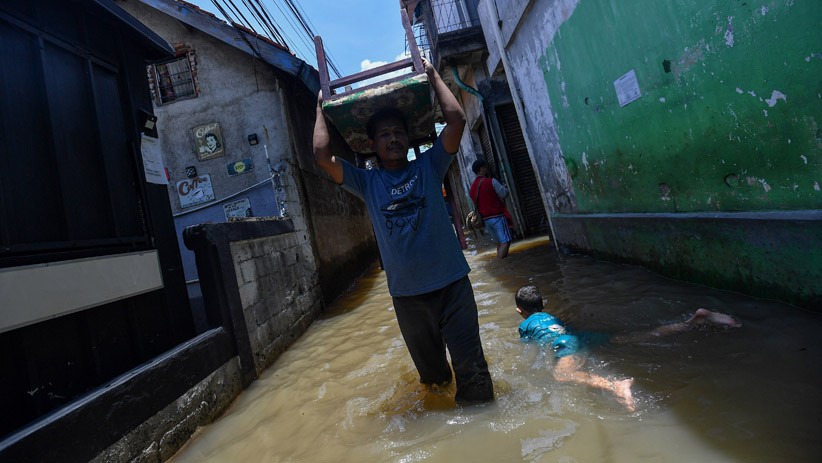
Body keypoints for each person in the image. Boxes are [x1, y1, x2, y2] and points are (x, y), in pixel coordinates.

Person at [313, 58, 494, 405]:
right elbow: (322, 155)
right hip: (409, 300)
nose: (393, 139)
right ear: (373, 144)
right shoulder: (366, 182)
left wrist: (431, 75)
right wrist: (318, 107)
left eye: (398, 132)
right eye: (385, 134)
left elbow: (456, 120)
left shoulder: (430, 165)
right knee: (436, 383)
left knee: (474, 374)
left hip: (453, 287)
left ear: (408, 137)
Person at [515, 285, 741, 411]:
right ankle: (691, 322)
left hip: (563, 344)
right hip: (580, 336)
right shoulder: (551, 317)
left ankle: (615, 385)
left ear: (519, 311)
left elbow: (530, 349)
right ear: (543, 304)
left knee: (562, 375)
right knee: (634, 337)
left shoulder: (525, 325)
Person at [469, 160, 512, 259]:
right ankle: (501, 265)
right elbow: (504, 194)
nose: (487, 169)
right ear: (482, 169)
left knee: (499, 243)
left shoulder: (472, 188)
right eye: (485, 167)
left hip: (485, 220)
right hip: (497, 217)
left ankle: (500, 263)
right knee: (505, 242)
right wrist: (505, 188)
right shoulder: (491, 181)